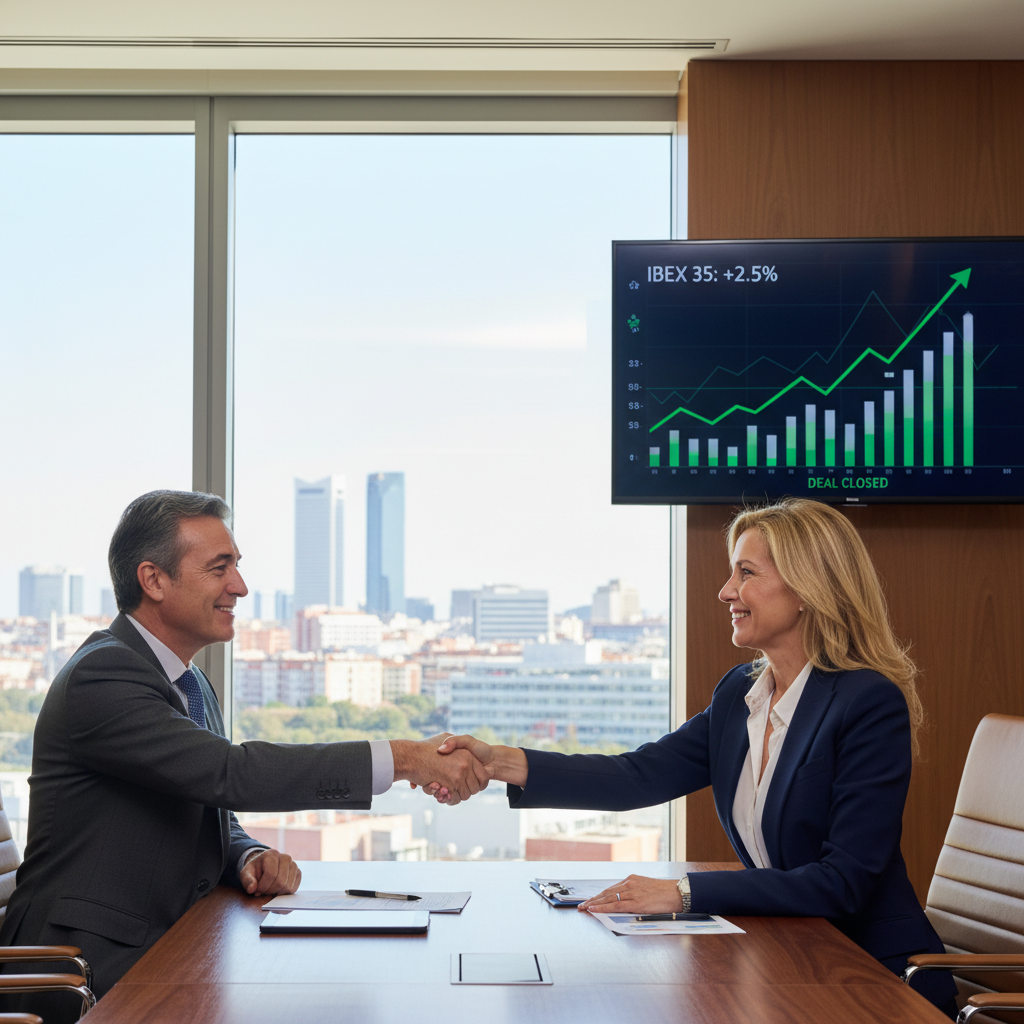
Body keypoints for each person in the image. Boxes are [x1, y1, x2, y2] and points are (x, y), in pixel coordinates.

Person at [434, 498, 957, 1015]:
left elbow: (843, 883)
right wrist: (500, 763)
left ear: (806, 588)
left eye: (746, 573)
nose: (727, 591)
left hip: (874, 976)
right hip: (791, 959)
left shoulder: (866, 702)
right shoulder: (740, 695)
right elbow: (635, 777)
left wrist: (681, 892)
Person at [0, 490, 487, 1020]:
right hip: (85, 969)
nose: (241, 586)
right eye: (219, 568)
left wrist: (247, 857)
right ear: (154, 580)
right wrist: (406, 759)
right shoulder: (104, 677)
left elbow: (211, 807)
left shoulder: (189, 683)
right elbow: (231, 774)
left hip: (170, 947)